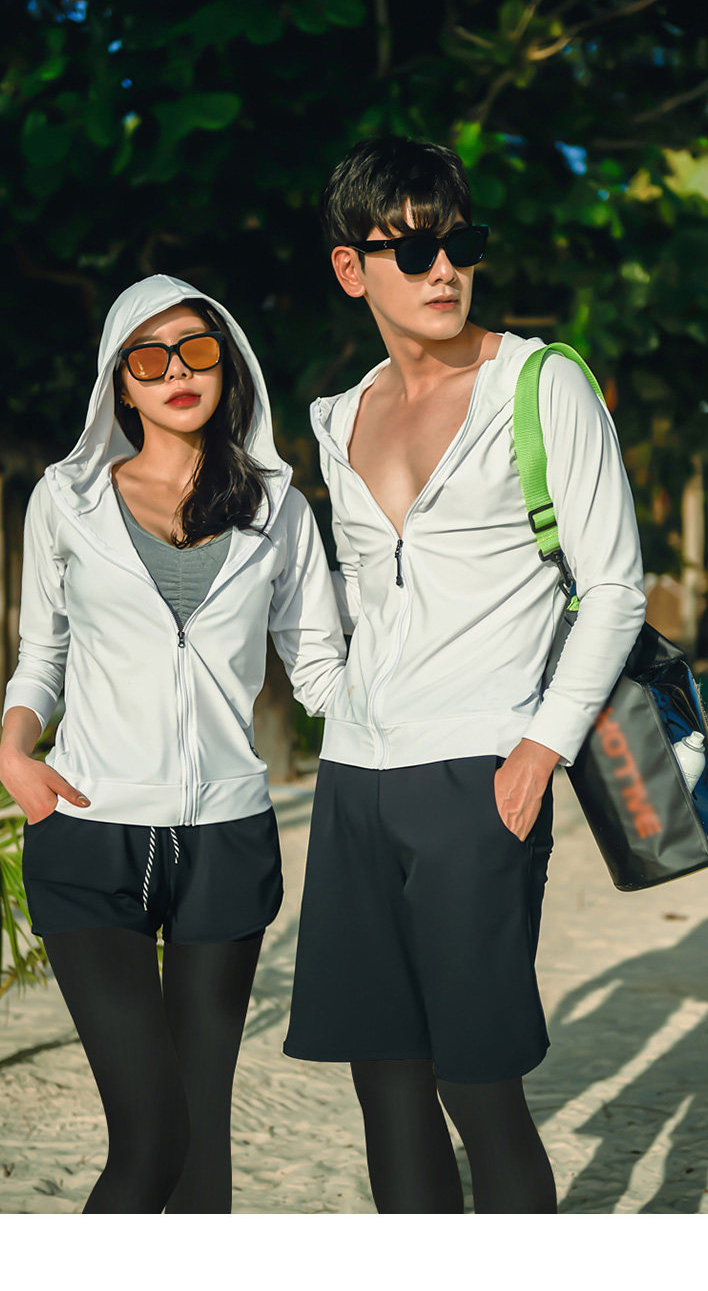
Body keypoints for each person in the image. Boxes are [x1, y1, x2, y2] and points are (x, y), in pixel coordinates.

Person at [283, 135, 647, 1213]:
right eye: (413, 249)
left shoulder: (540, 385)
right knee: (386, 1086)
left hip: (481, 776)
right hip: (355, 778)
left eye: (461, 243)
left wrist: (539, 749)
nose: (444, 269)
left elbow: (615, 586)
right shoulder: (338, 418)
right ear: (351, 268)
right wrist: (330, 698)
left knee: (477, 1083)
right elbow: (355, 596)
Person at [0, 272, 347, 1214]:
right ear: (120, 383)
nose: (176, 373)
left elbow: (321, 672)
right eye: (148, 360)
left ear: (227, 365)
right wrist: (14, 751)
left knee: (201, 1148)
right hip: (88, 832)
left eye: (196, 351)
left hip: (227, 841)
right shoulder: (66, 500)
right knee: (152, 1135)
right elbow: (42, 657)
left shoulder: (279, 510)